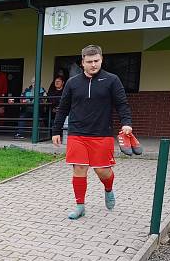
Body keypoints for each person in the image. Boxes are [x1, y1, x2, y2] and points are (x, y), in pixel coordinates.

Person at [52, 44, 133, 220]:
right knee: (79, 168)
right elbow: (63, 107)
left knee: (102, 171)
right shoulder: (73, 83)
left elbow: (122, 104)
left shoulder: (112, 80)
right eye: (89, 61)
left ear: (101, 59)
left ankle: (108, 188)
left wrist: (127, 123)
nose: (93, 64)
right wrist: (56, 130)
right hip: (77, 133)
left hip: (101, 134)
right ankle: (80, 206)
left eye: (96, 61)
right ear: (83, 62)